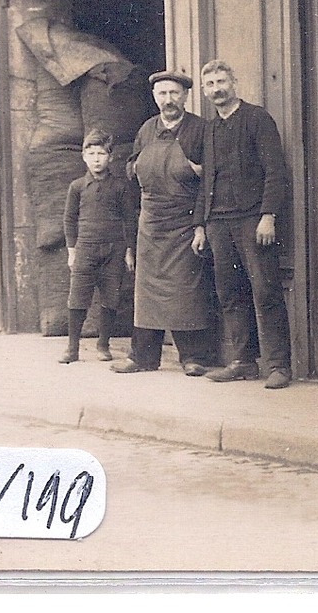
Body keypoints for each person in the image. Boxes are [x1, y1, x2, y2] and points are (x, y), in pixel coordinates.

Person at [113, 71, 221, 377]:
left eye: (174, 93)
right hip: (150, 224)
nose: (168, 100)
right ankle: (143, 357)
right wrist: (135, 167)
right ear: (155, 97)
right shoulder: (147, 129)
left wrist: (200, 225)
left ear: (185, 96)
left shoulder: (200, 129)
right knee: (146, 293)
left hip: (185, 222)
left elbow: (208, 184)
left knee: (188, 291)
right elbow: (131, 168)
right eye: (162, 94)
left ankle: (193, 357)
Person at [194, 59, 294, 390]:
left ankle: (279, 365)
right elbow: (206, 178)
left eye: (221, 81)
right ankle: (243, 361)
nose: (216, 89)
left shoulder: (257, 119)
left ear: (234, 82)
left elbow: (275, 170)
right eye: (209, 84)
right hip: (218, 223)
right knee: (229, 293)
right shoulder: (208, 129)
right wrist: (200, 225)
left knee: (265, 290)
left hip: (253, 220)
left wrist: (268, 215)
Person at [59, 129, 136, 364]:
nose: (96, 158)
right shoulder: (78, 187)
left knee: (110, 298)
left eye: (101, 153)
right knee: (78, 298)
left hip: (114, 250)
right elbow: (69, 219)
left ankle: (103, 345)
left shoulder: (120, 186)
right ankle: (72, 348)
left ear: (110, 157)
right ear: (83, 156)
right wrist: (72, 250)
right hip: (85, 249)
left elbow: (129, 219)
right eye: (91, 153)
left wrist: (129, 250)